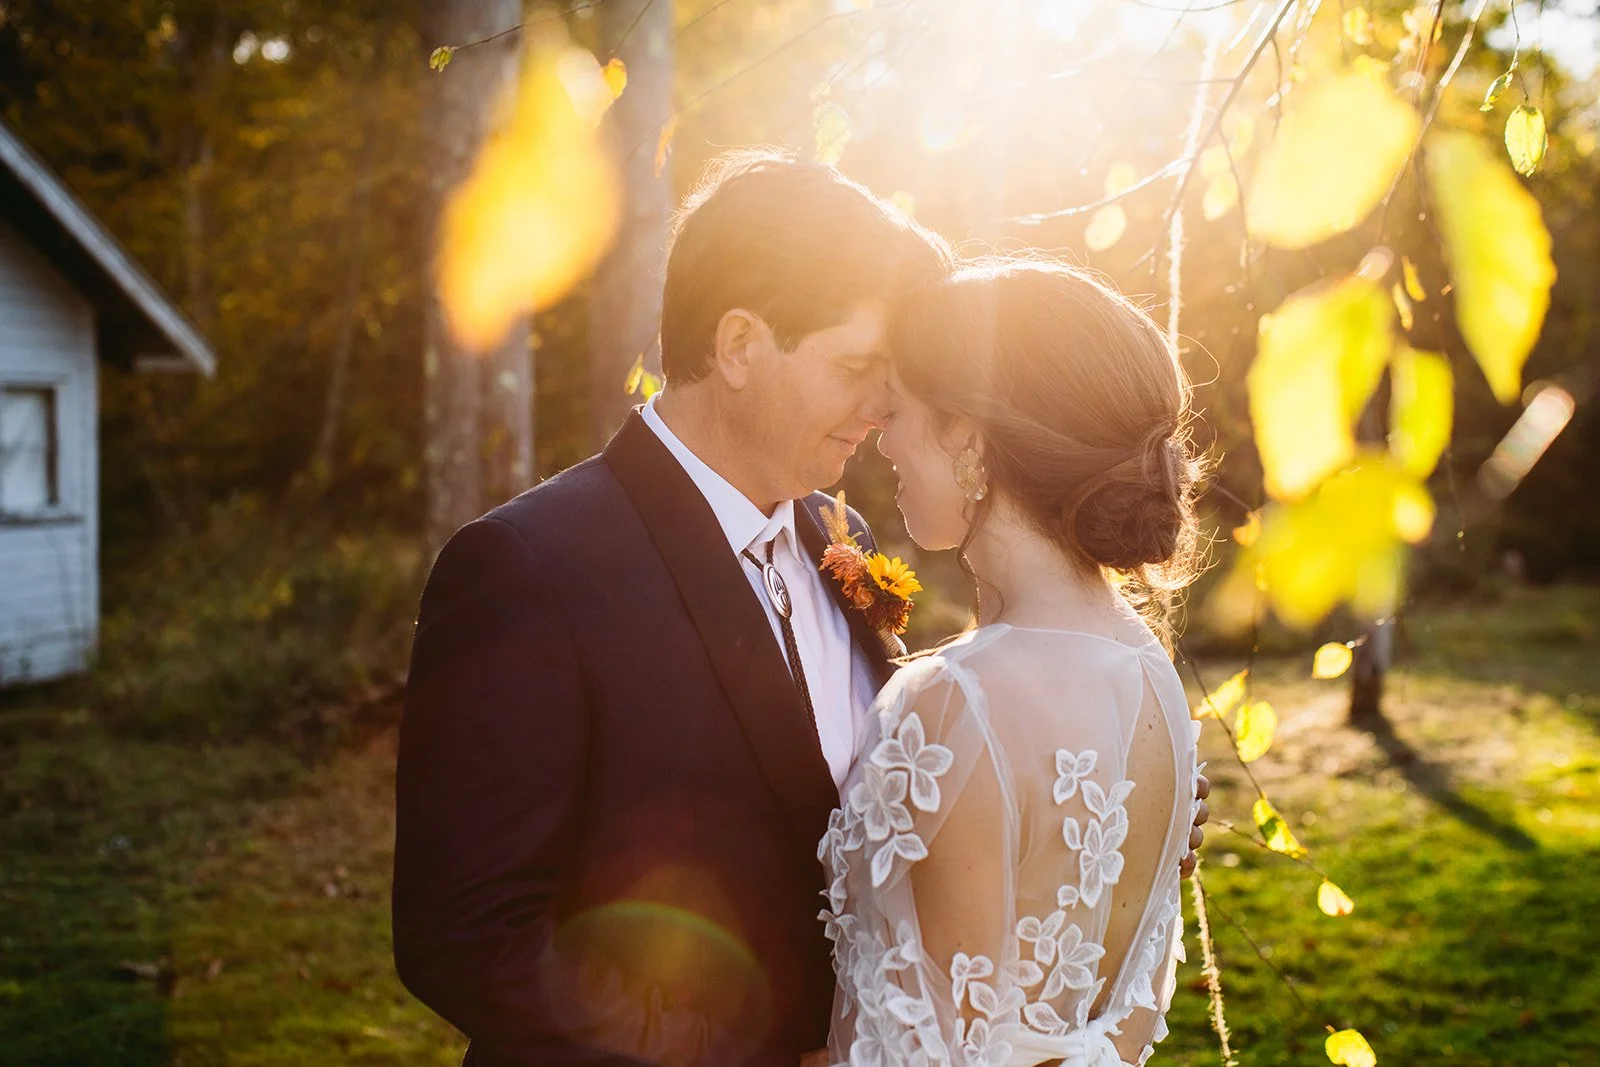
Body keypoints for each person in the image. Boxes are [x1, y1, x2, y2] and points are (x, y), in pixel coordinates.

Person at [392, 150, 1206, 1067]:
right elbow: (467, 935)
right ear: (740, 345)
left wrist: (1086, 802)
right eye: (858, 365)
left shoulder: (835, 533)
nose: (884, 405)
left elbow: (902, 815)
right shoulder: (528, 567)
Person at [819, 259, 1206, 1067]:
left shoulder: (954, 702)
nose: (882, 439)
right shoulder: (1151, 675)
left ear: (969, 433)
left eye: (900, 411)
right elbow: (1120, 1026)